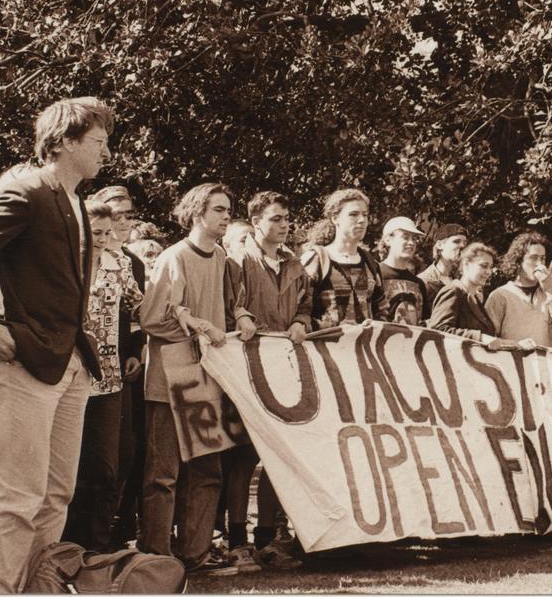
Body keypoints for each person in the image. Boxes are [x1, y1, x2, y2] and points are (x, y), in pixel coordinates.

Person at [0, 97, 113, 593]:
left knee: (56, 494)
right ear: (66, 142)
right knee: (17, 494)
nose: (106, 153)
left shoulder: (73, 200)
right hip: (25, 363)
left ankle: (36, 588)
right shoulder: (27, 190)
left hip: (68, 363)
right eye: (98, 142)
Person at [138, 183, 257, 573]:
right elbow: (152, 318)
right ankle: (156, 558)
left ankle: (196, 553)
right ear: (196, 213)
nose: (226, 216)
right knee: (164, 474)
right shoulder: (174, 257)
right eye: (218, 209)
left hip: (207, 380)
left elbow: (230, 305)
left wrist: (239, 316)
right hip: (169, 381)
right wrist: (199, 328)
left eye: (228, 210)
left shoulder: (221, 256)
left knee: (207, 471)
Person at [221, 191, 310, 572]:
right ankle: (236, 541)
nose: (284, 225)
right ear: (256, 221)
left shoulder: (295, 264)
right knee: (243, 456)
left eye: (286, 218)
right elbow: (228, 304)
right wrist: (241, 315)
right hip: (246, 367)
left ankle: (268, 538)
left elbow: (306, 304)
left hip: (284, 368)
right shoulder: (237, 260)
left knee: (279, 454)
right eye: (275, 218)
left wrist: (301, 321)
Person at [86, 185, 148, 551]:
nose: (118, 225)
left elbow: (139, 311)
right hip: (72, 372)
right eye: (111, 218)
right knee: (74, 464)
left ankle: (102, 541)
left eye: (126, 216)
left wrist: (136, 349)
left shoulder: (126, 263)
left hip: (112, 375)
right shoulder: (70, 257)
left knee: (115, 460)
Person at [300, 189, 386, 328]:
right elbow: (300, 311)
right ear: (335, 218)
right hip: (326, 341)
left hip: (365, 341)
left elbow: (381, 310)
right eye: (353, 214)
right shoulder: (317, 259)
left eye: (365, 214)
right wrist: (330, 327)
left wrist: (376, 324)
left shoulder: (371, 263)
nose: (362, 220)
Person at [485, 231, 552, 349]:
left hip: (543, 360)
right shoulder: (501, 295)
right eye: (533, 258)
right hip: (511, 360)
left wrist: (549, 289)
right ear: (518, 261)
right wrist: (516, 346)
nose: (539, 264)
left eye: (543, 259)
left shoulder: (548, 294)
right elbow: (489, 340)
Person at [378, 216, 431, 325]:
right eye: (405, 237)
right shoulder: (375, 275)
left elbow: (424, 322)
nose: (411, 243)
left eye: (414, 238)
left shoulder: (418, 283)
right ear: (388, 240)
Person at [418, 223, 468, 305]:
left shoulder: (463, 279)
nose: (462, 246)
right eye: (456, 241)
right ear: (440, 245)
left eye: (465, 243)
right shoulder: (424, 281)